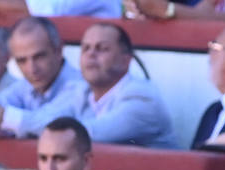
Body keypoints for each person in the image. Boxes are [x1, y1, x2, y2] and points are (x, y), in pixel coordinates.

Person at [39, 23, 176, 148]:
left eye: (102, 48)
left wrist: (21, 123)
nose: (91, 54)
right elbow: (45, 118)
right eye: (86, 48)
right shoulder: (81, 90)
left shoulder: (143, 98)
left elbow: (83, 134)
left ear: (126, 60)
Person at [0, 17, 84, 139]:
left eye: (39, 57)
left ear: (59, 50)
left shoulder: (80, 86)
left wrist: (4, 118)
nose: (32, 69)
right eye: (22, 61)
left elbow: (55, 126)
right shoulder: (24, 86)